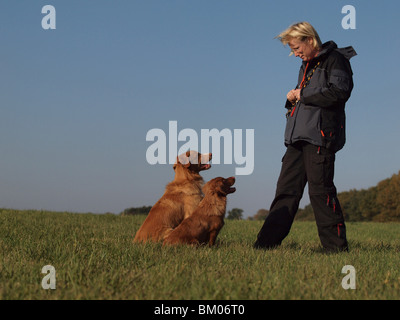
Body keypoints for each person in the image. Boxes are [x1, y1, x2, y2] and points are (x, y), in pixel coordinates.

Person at [254, 22, 356, 252]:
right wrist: (291, 99)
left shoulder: (336, 60)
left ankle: (336, 250)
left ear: (310, 40)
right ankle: (264, 246)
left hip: (320, 137)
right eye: (292, 49)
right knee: (285, 192)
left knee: (321, 193)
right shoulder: (307, 65)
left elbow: (340, 92)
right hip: (298, 138)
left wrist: (304, 93)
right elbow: (310, 98)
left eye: (296, 47)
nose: (295, 53)